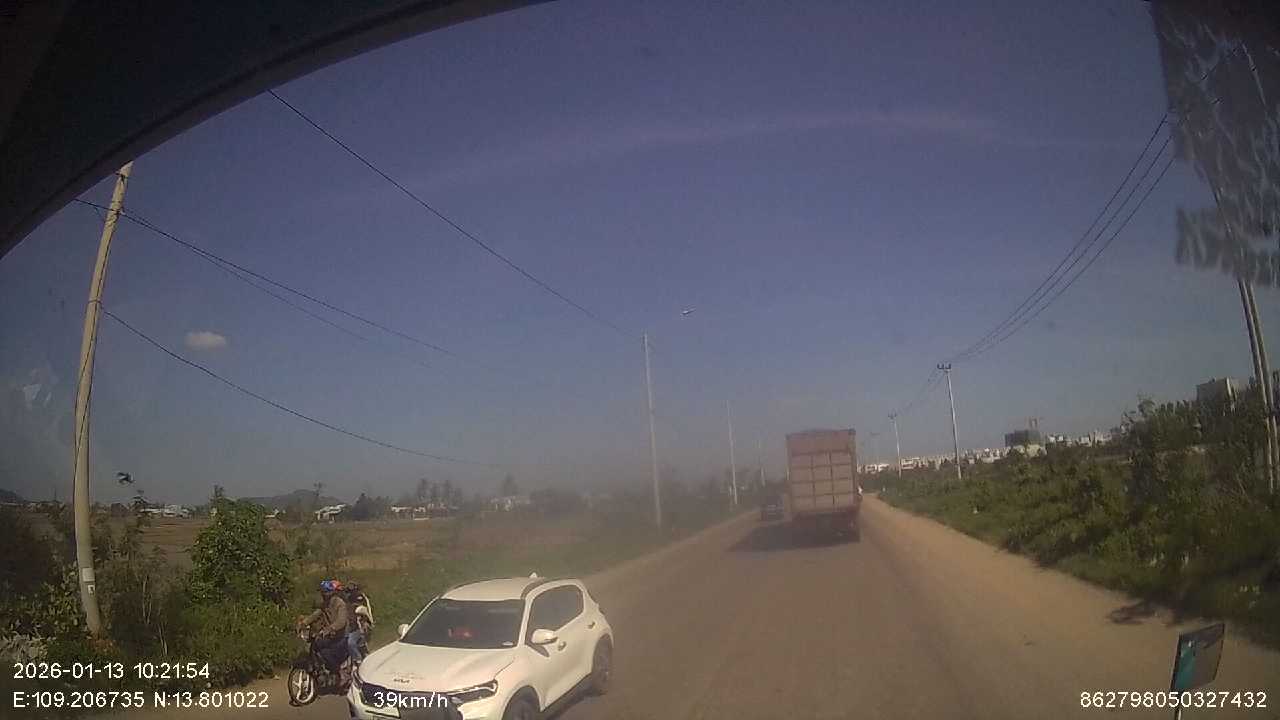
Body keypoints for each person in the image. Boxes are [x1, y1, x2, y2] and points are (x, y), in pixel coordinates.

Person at [298, 579, 350, 672]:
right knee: (316, 644)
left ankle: (339, 672)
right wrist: (304, 623)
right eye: (322, 592)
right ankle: (322, 668)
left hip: (341, 636)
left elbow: (341, 621)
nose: (323, 594)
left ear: (331, 593)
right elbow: (316, 614)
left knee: (325, 652)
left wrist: (329, 629)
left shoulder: (340, 604)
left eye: (325, 592)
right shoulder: (325, 604)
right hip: (331, 635)